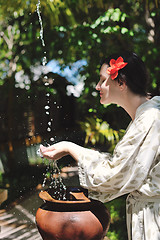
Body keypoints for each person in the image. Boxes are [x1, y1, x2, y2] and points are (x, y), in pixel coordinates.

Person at [40, 51, 160, 240]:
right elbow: (121, 165)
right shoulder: (148, 115)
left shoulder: (151, 118)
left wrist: (71, 148)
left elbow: (113, 175)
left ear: (121, 83)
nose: (97, 86)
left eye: (103, 80)